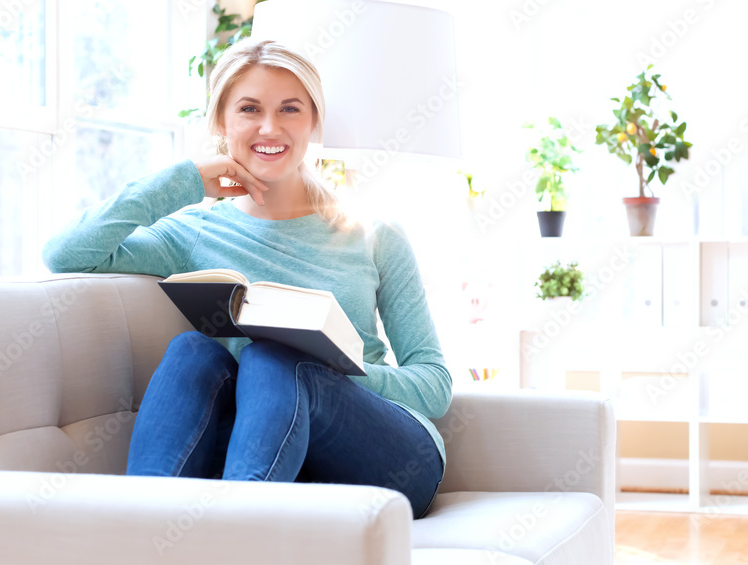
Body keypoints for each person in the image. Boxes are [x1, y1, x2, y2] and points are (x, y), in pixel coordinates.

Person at [41, 38, 451, 519]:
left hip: (387, 456)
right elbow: (66, 253)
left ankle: (239, 531)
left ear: (314, 122)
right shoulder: (195, 232)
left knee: (278, 358)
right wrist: (187, 178)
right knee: (191, 351)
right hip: (261, 450)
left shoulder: (374, 236)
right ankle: (144, 526)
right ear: (221, 121)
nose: (269, 127)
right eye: (249, 109)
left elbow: (434, 383)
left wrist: (339, 370)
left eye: (290, 109)